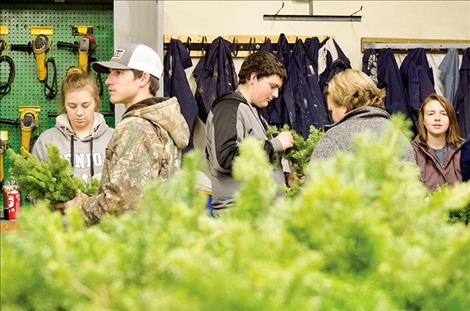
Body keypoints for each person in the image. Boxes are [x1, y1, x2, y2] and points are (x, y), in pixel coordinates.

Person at [58, 43, 189, 225]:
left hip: (133, 244)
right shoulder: (161, 121)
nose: (108, 80)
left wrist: (79, 206)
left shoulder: (136, 127)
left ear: (143, 78)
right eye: (111, 72)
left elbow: (121, 202)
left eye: (118, 73)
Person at [205, 51, 294, 211]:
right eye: (272, 86)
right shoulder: (228, 108)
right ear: (253, 78)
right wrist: (275, 144)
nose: (276, 94)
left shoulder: (252, 113)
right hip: (240, 217)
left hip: (257, 215)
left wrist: (287, 178)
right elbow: (225, 158)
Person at [311, 69, 414, 161]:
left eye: (331, 110)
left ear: (344, 104)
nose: (332, 116)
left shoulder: (333, 140)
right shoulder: (398, 138)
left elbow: (314, 182)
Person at [32, 67, 113, 183]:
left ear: (96, 101)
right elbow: (35, 189)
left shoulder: (113, 138)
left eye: (85, 105)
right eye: (72, 106)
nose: (79, 113)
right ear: (64, 104)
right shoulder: (47, 140)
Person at [412, 94, 464, 191]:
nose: (437, 118)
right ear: (423, 120)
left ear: (450, 119)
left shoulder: (464, 149)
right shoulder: (411, 152)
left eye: (443, 113)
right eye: (431, 113)